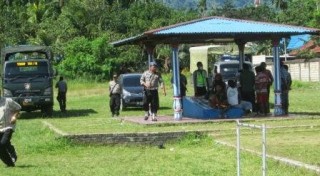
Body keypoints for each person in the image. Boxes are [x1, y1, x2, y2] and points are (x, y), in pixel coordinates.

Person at [0, 97, 21, 167]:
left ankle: (12, 152)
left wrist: (14, 116)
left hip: (8, 126)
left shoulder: (8, 101)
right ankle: (10, 164)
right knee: (2, 146)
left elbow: (18, 108)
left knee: (2, 144)